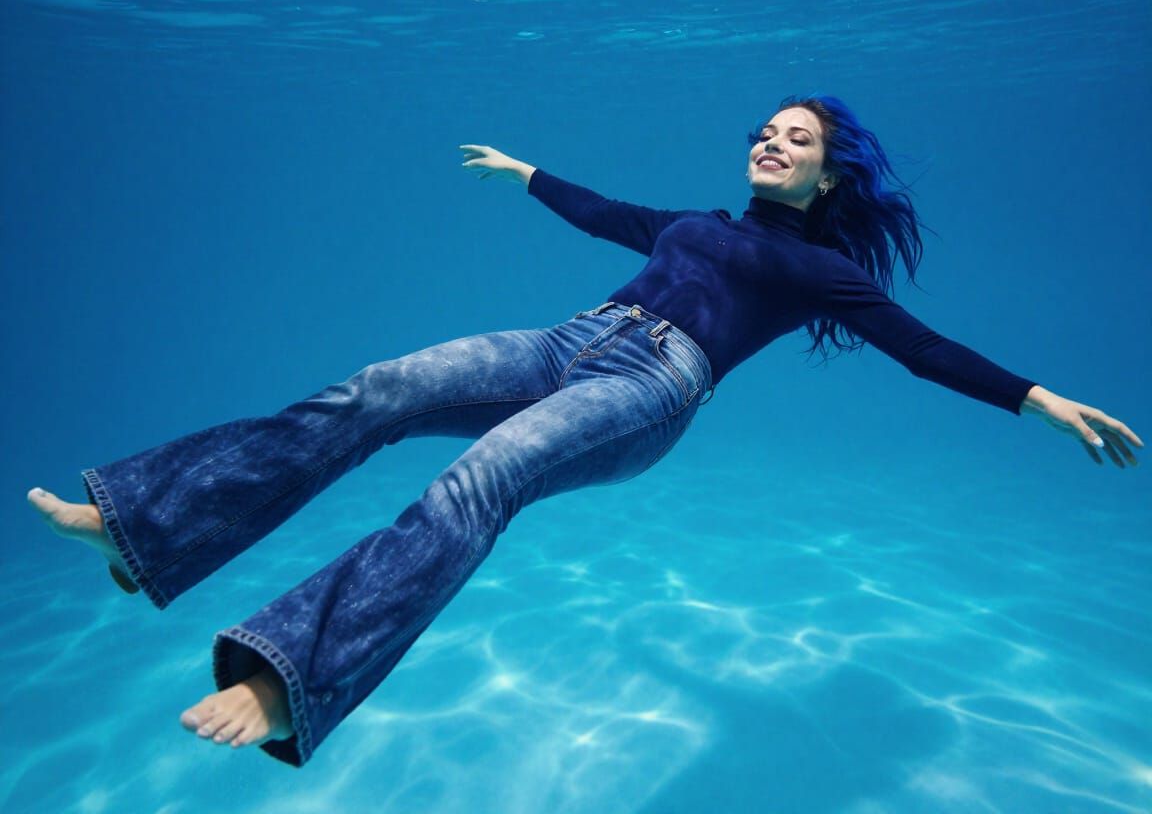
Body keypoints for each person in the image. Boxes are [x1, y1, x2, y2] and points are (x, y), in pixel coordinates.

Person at [29, 96, 1142, 768]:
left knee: (473, 484)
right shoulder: (696, 224)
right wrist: (527, 177)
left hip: (654, 388)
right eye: (762, 131)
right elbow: (608, 213)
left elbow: (924, 348)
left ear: (828, 171)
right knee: (377, 389)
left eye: (793, 139)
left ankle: (288, 678)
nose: (769, 143)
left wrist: (1038, 398)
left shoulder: (822, 271)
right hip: (574, 340)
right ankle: (147, 531)